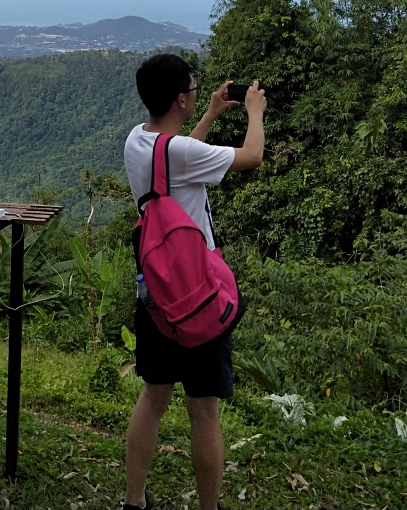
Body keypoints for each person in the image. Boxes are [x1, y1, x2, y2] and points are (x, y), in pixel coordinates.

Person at [122, 53, 266, 510]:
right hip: (198, 297)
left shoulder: (137, 142)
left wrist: (209, 113)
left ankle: (132, 500)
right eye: (193, 90)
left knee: (153, 397)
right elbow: (253, 156)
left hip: (157, 294)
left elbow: (176, 158)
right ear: (180, 98)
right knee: (204, 412)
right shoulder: (182, 152)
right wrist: (253, 111)